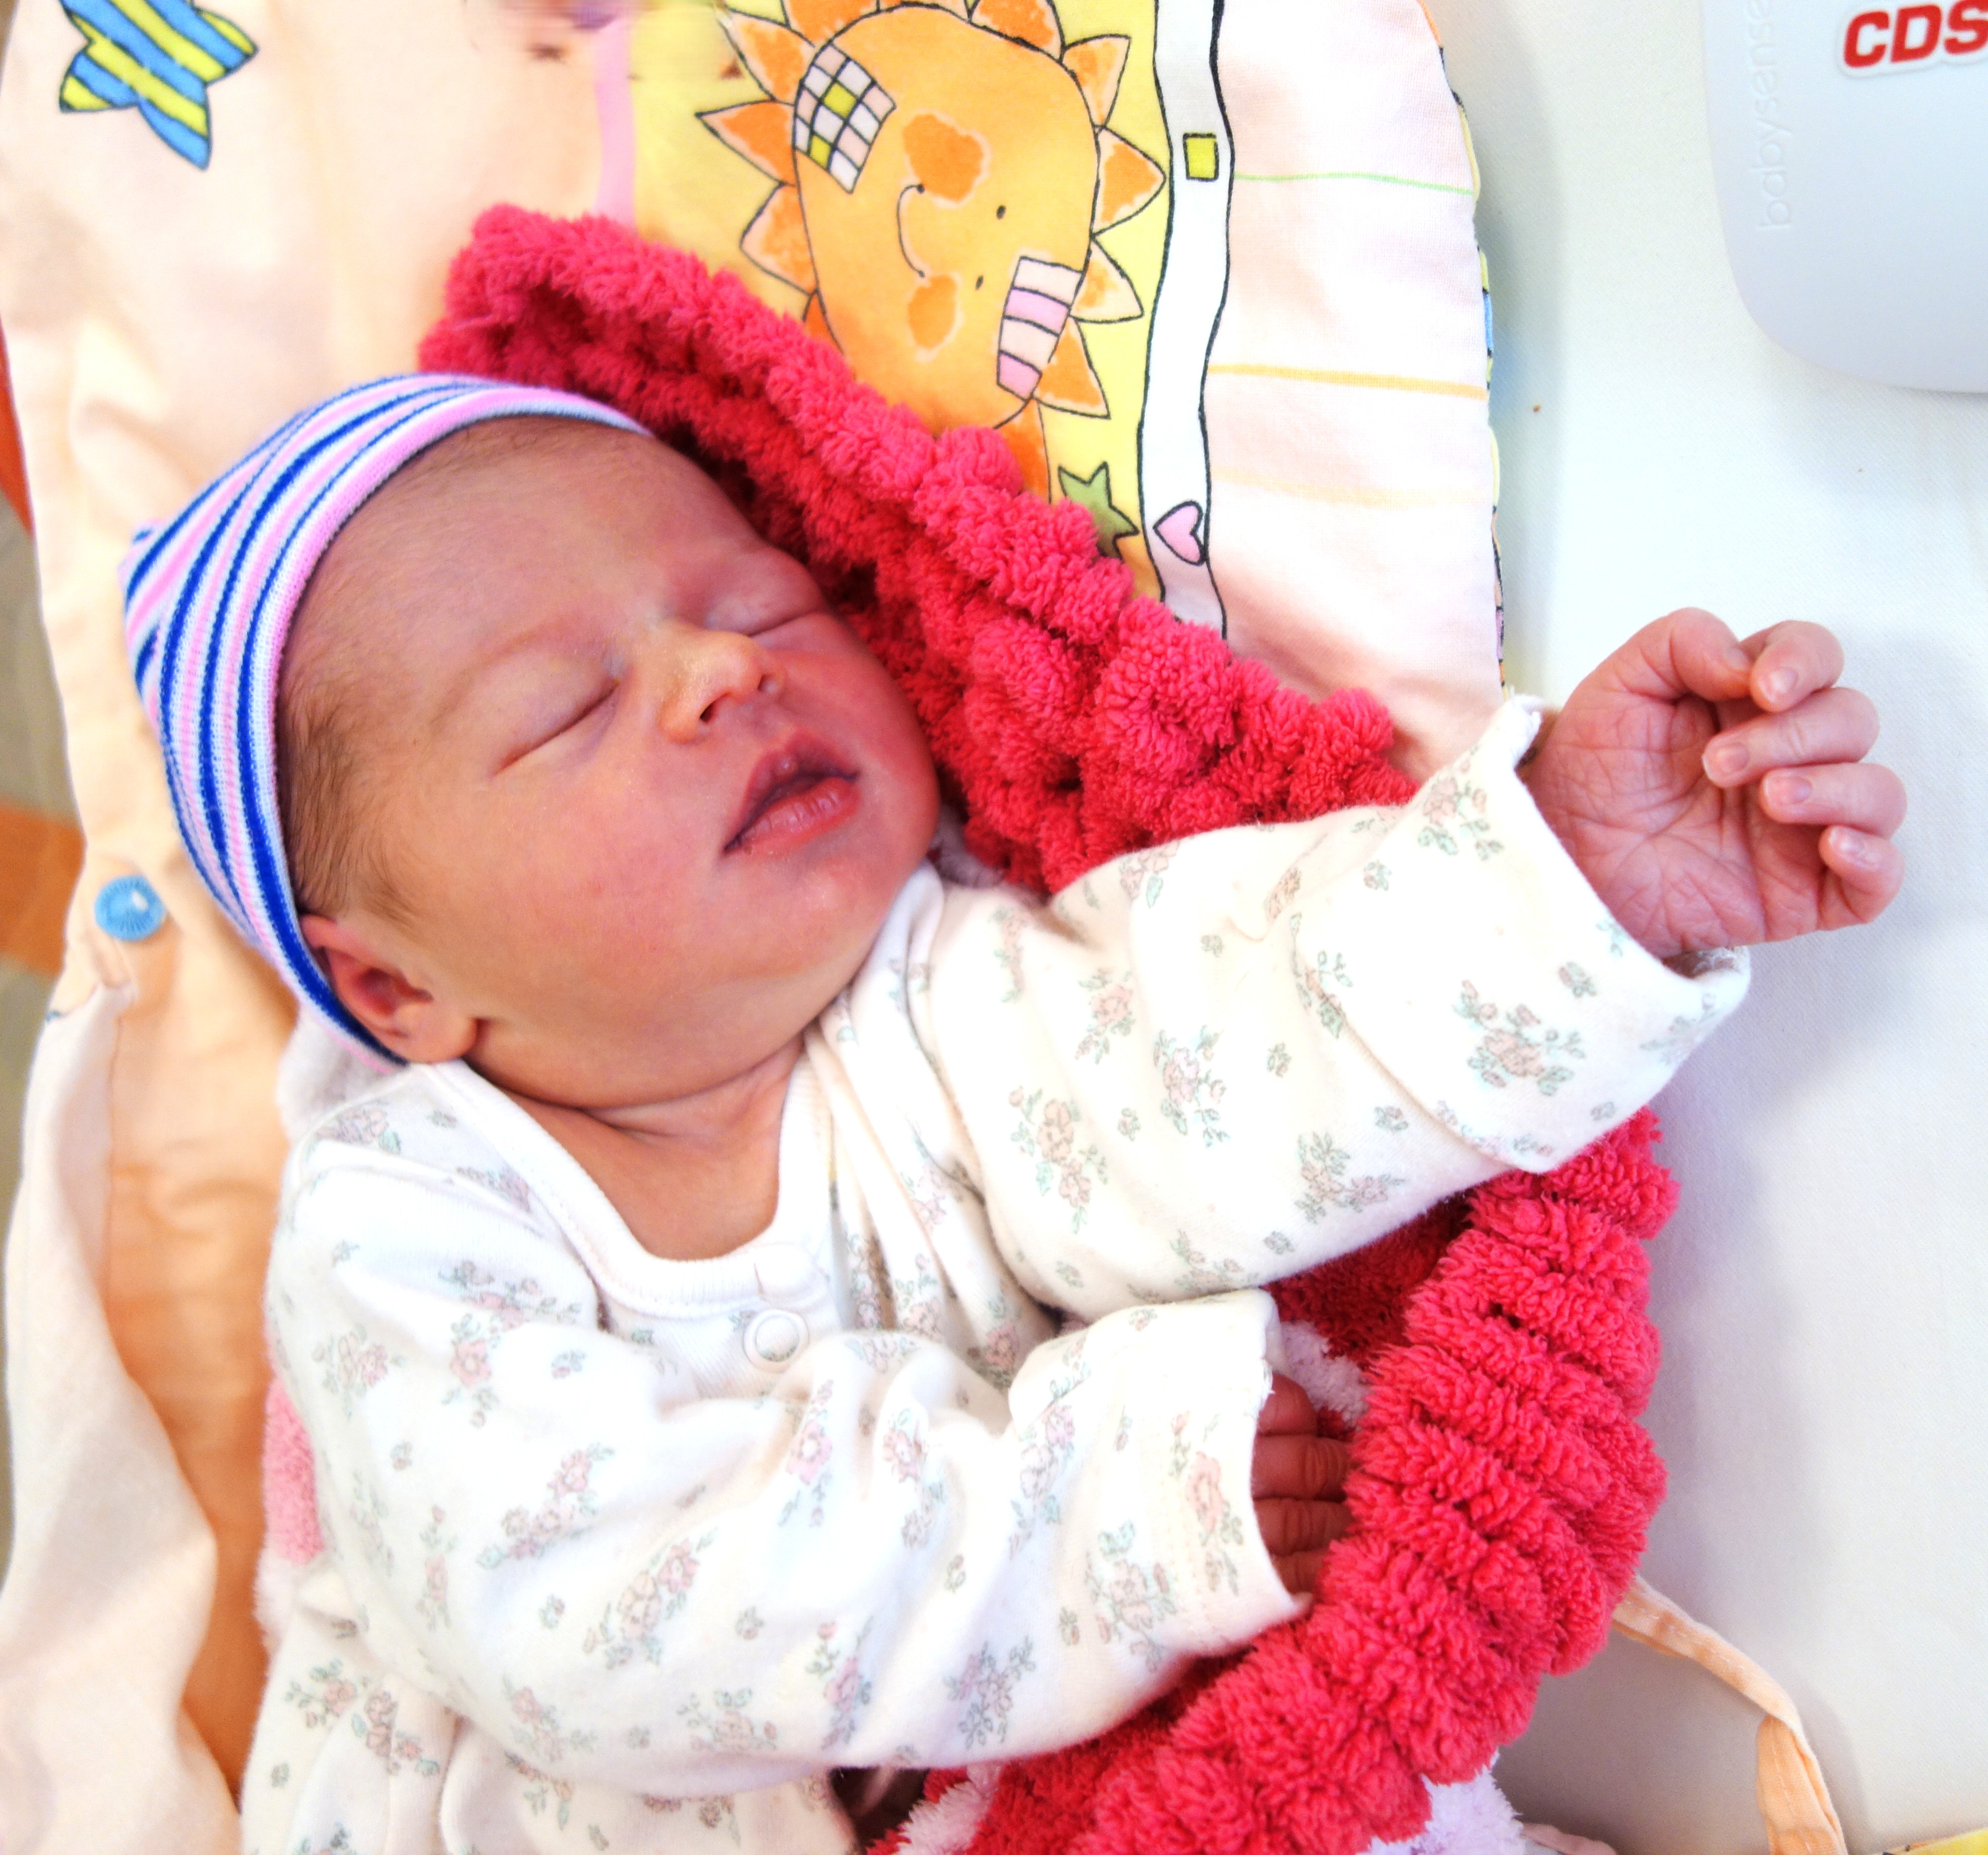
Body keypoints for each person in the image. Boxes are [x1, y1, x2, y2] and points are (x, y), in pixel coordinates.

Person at [123, 377, 1903, 1854]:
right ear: (396, 991)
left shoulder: (944, 996)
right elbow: (574, 1604)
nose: (721, 670)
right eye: (572, 706)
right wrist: (1093, 1520)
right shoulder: (406, 1219)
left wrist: (1572, 879)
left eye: (763, 605)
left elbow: (1222, 1057)